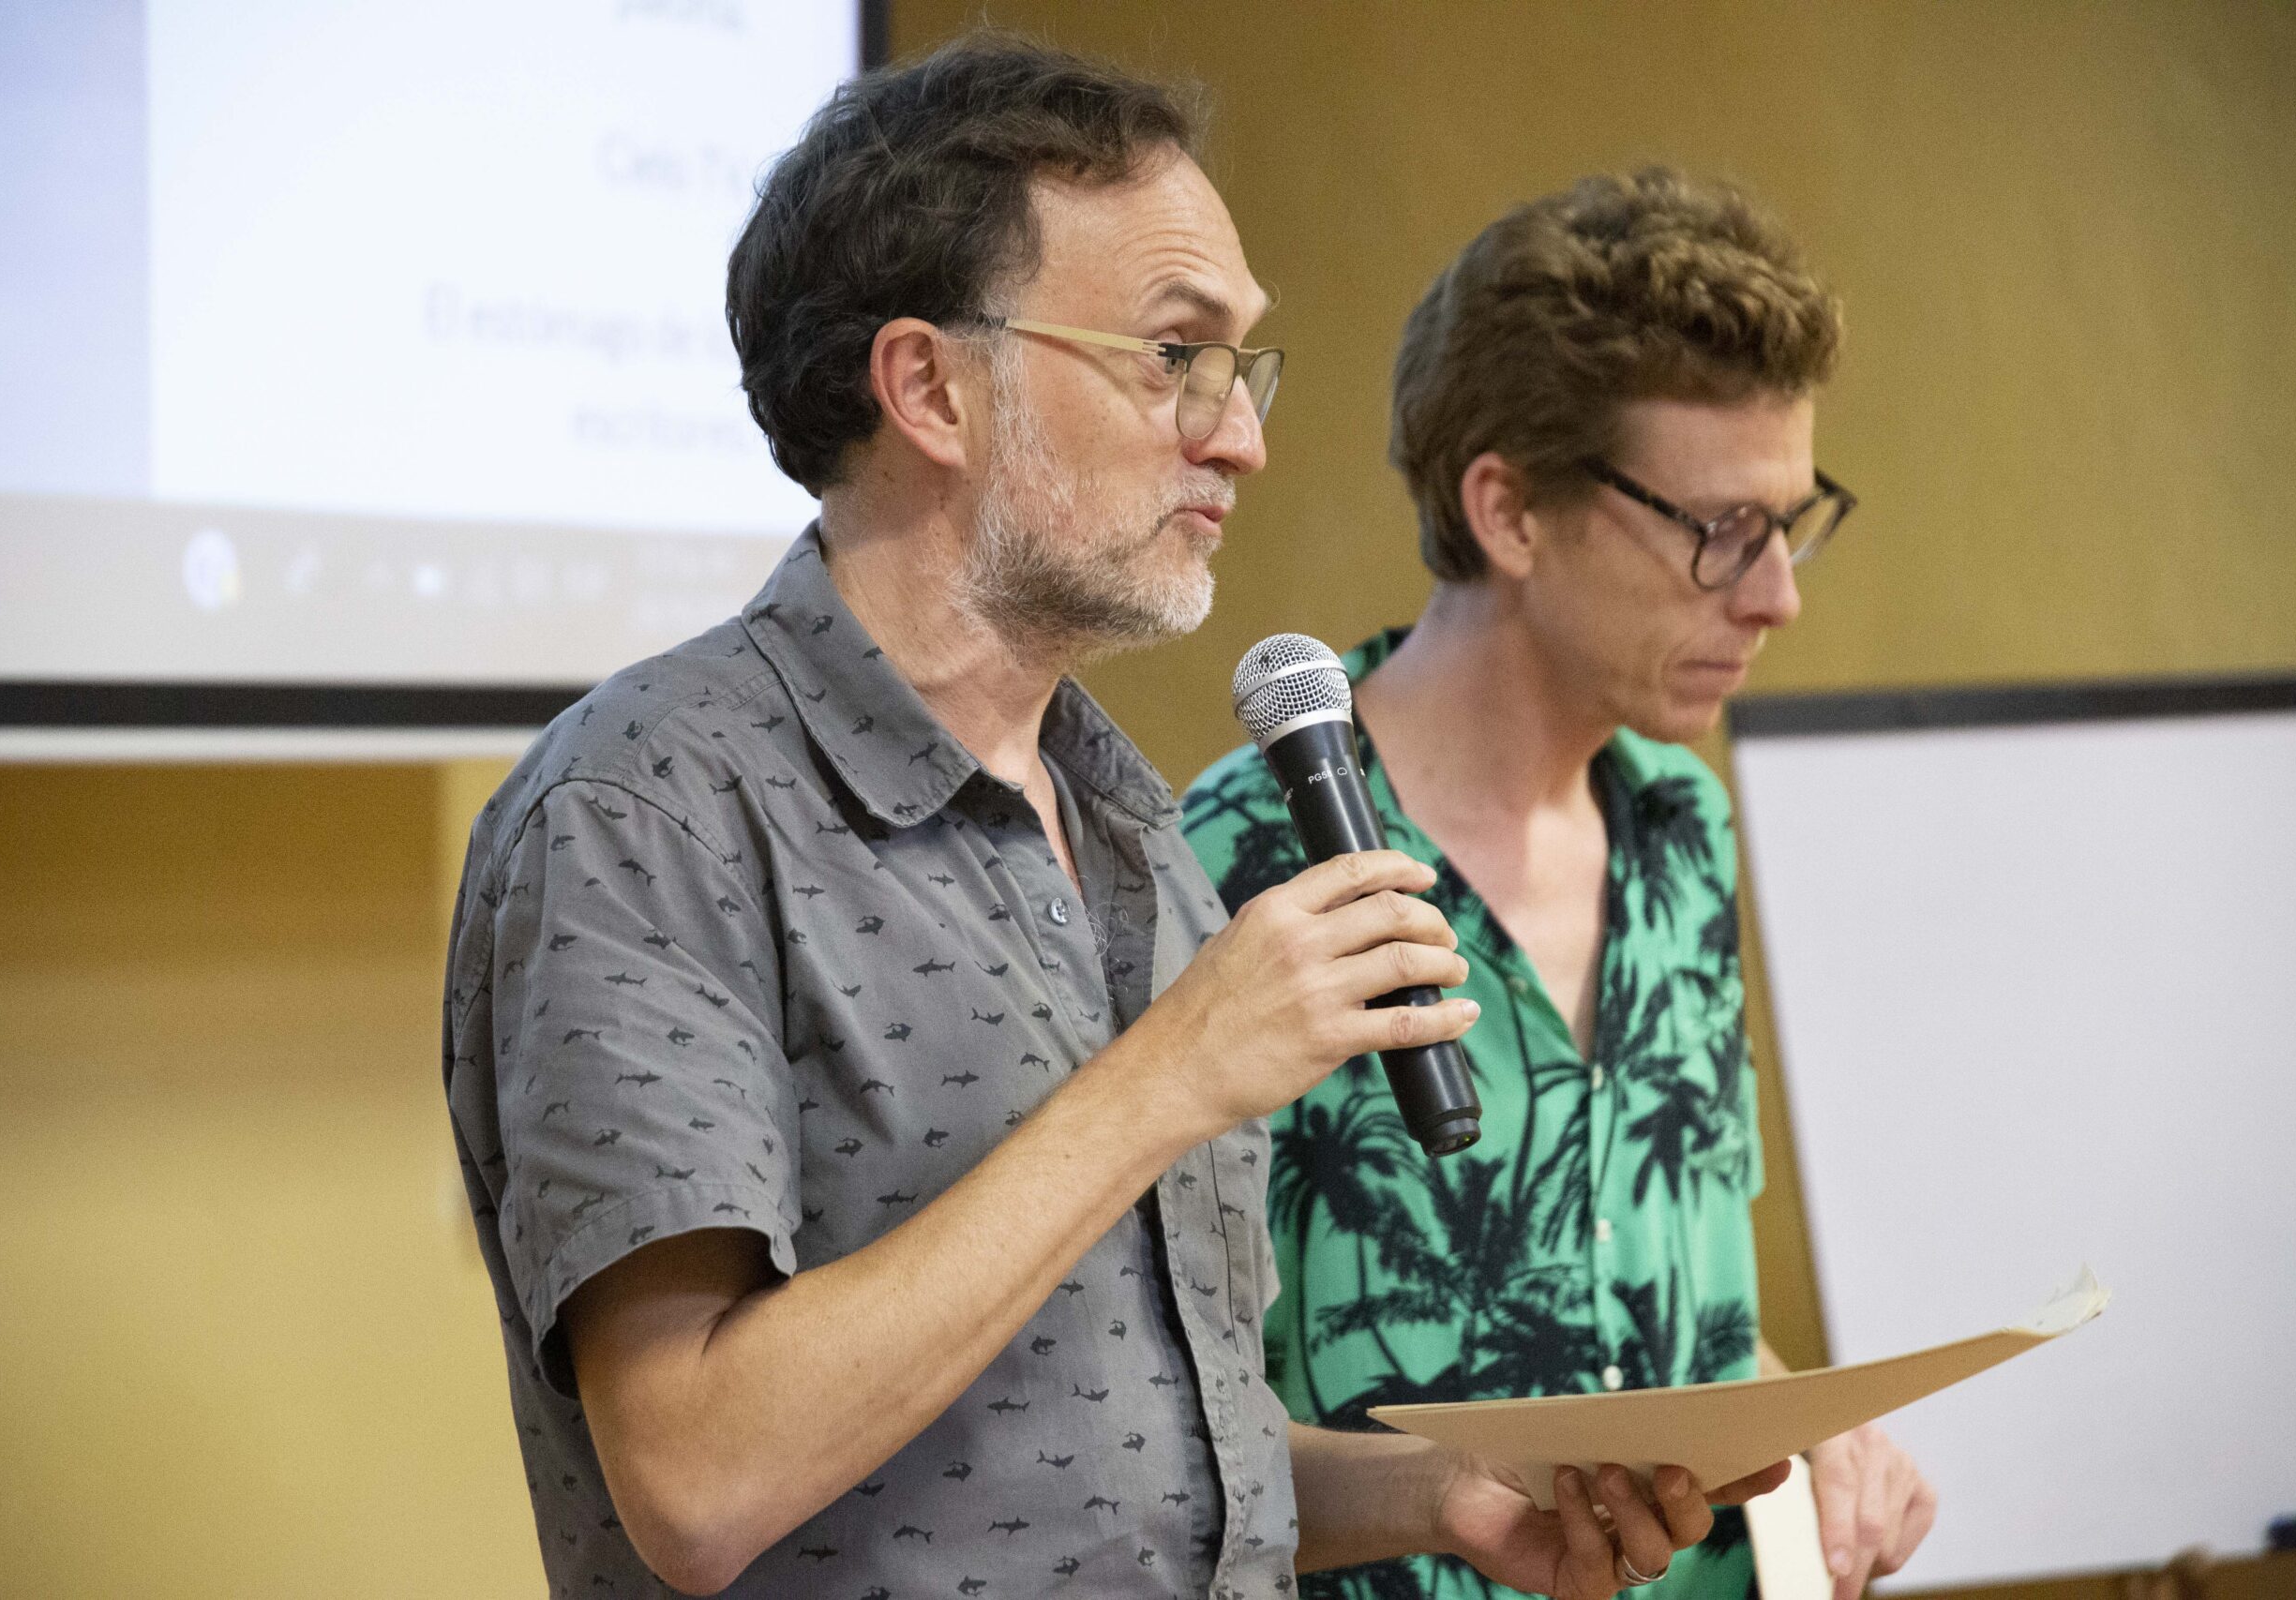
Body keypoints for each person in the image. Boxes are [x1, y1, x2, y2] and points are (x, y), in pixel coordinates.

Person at [443, 42, 1778, 1600]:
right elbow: (694, 1477)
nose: (1241, 437)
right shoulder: (647, 809)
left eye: (1240, 366)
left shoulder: (1124, 825)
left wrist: (1443, 1494)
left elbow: (1140, 1468)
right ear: (931, 388)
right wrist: (1169, 1075)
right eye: (1173, 355)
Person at [1183, 168, 1934, 1600]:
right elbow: (1158, 1440)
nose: (1778, 595)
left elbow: (1673, 1316)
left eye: (1792, 524)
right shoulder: (1230, 865)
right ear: (1511, 511)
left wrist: (1814, 1436)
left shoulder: (1682, 825)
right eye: (1724, 530)